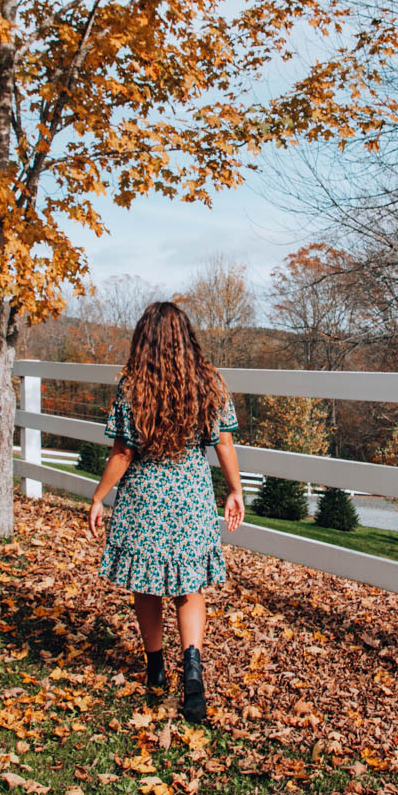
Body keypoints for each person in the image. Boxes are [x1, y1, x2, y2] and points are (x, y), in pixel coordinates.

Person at [88, 301, 245, 723]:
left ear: (145, 338)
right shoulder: (210, 382)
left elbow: (123, 452)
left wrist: (99, 496)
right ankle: (191, 664)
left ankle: (156, 669)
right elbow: (224, 443)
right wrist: (234, 489)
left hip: (145, 497)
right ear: (186, 336)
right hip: (191, 496)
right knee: (189, 584)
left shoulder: (132, 385)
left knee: (147, 583)